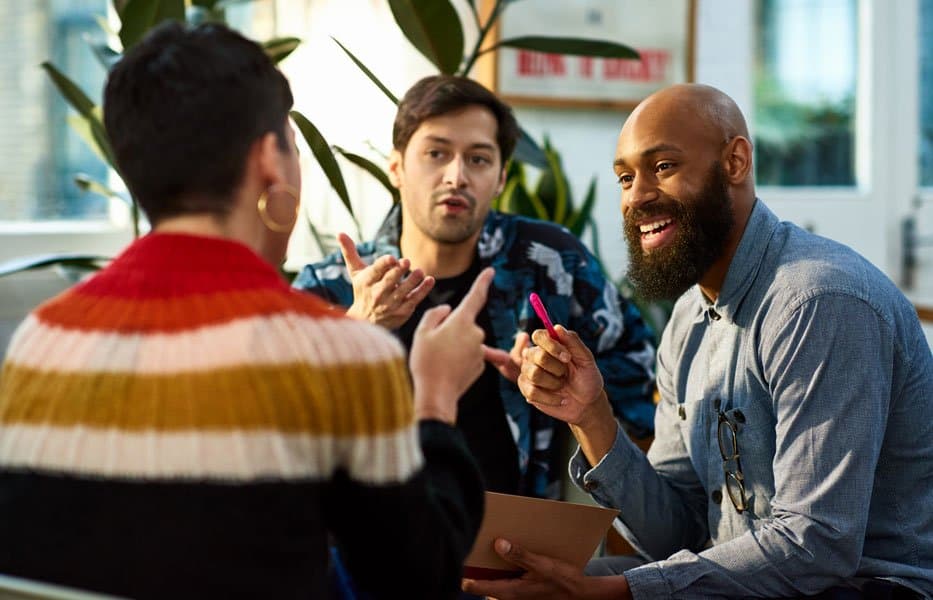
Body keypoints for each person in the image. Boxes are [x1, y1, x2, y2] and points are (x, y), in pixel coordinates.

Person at [0, 22, 491, 600]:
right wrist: (434, 397)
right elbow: (415, 583)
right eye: (292, 143)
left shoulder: (40, 337)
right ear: (268, 161)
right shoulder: (342, 355)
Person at [463, 83, 933, 599]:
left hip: (865, 586)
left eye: (663, 167)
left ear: (734, 162)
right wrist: (590, 415)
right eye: (625, 177)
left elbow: (816, 544)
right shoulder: (687, 321)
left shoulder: (819, 302)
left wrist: (614, 592)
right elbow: (678, 536)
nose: (638, 196)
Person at [294, 74, 657, 499]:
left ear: (501, 178)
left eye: (479, 159)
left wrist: (562, 379)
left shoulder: (549, 262)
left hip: (517, 545)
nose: (456, 176)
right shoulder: (332, 287)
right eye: (436, 153)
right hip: (372, 547)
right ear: (396, 167)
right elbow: (266, 427)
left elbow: (643, 371)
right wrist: (356, 328)